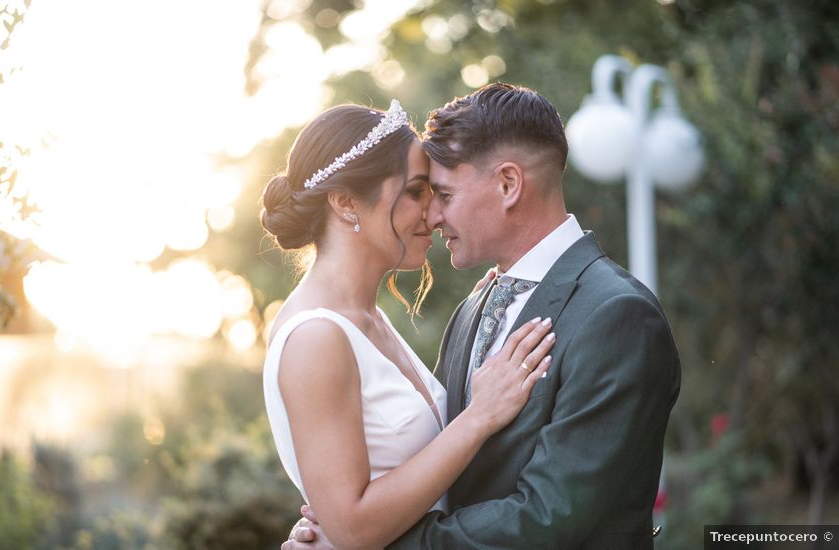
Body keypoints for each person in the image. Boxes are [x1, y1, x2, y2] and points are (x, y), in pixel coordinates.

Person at [282, 84, 681, 549]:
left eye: (444, 194)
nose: (432, 215)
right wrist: (342, 522)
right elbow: (435, 462)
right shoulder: (476, 305)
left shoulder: (616, 315)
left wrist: (370, 543)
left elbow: (549, 517)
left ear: (508, 185)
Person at [259, 99, 557, 550]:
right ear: (344, 202)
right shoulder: (315, 337)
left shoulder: (368, 320)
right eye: (417, 191)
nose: (434, 214)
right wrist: (479, 417)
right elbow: (353, 527)